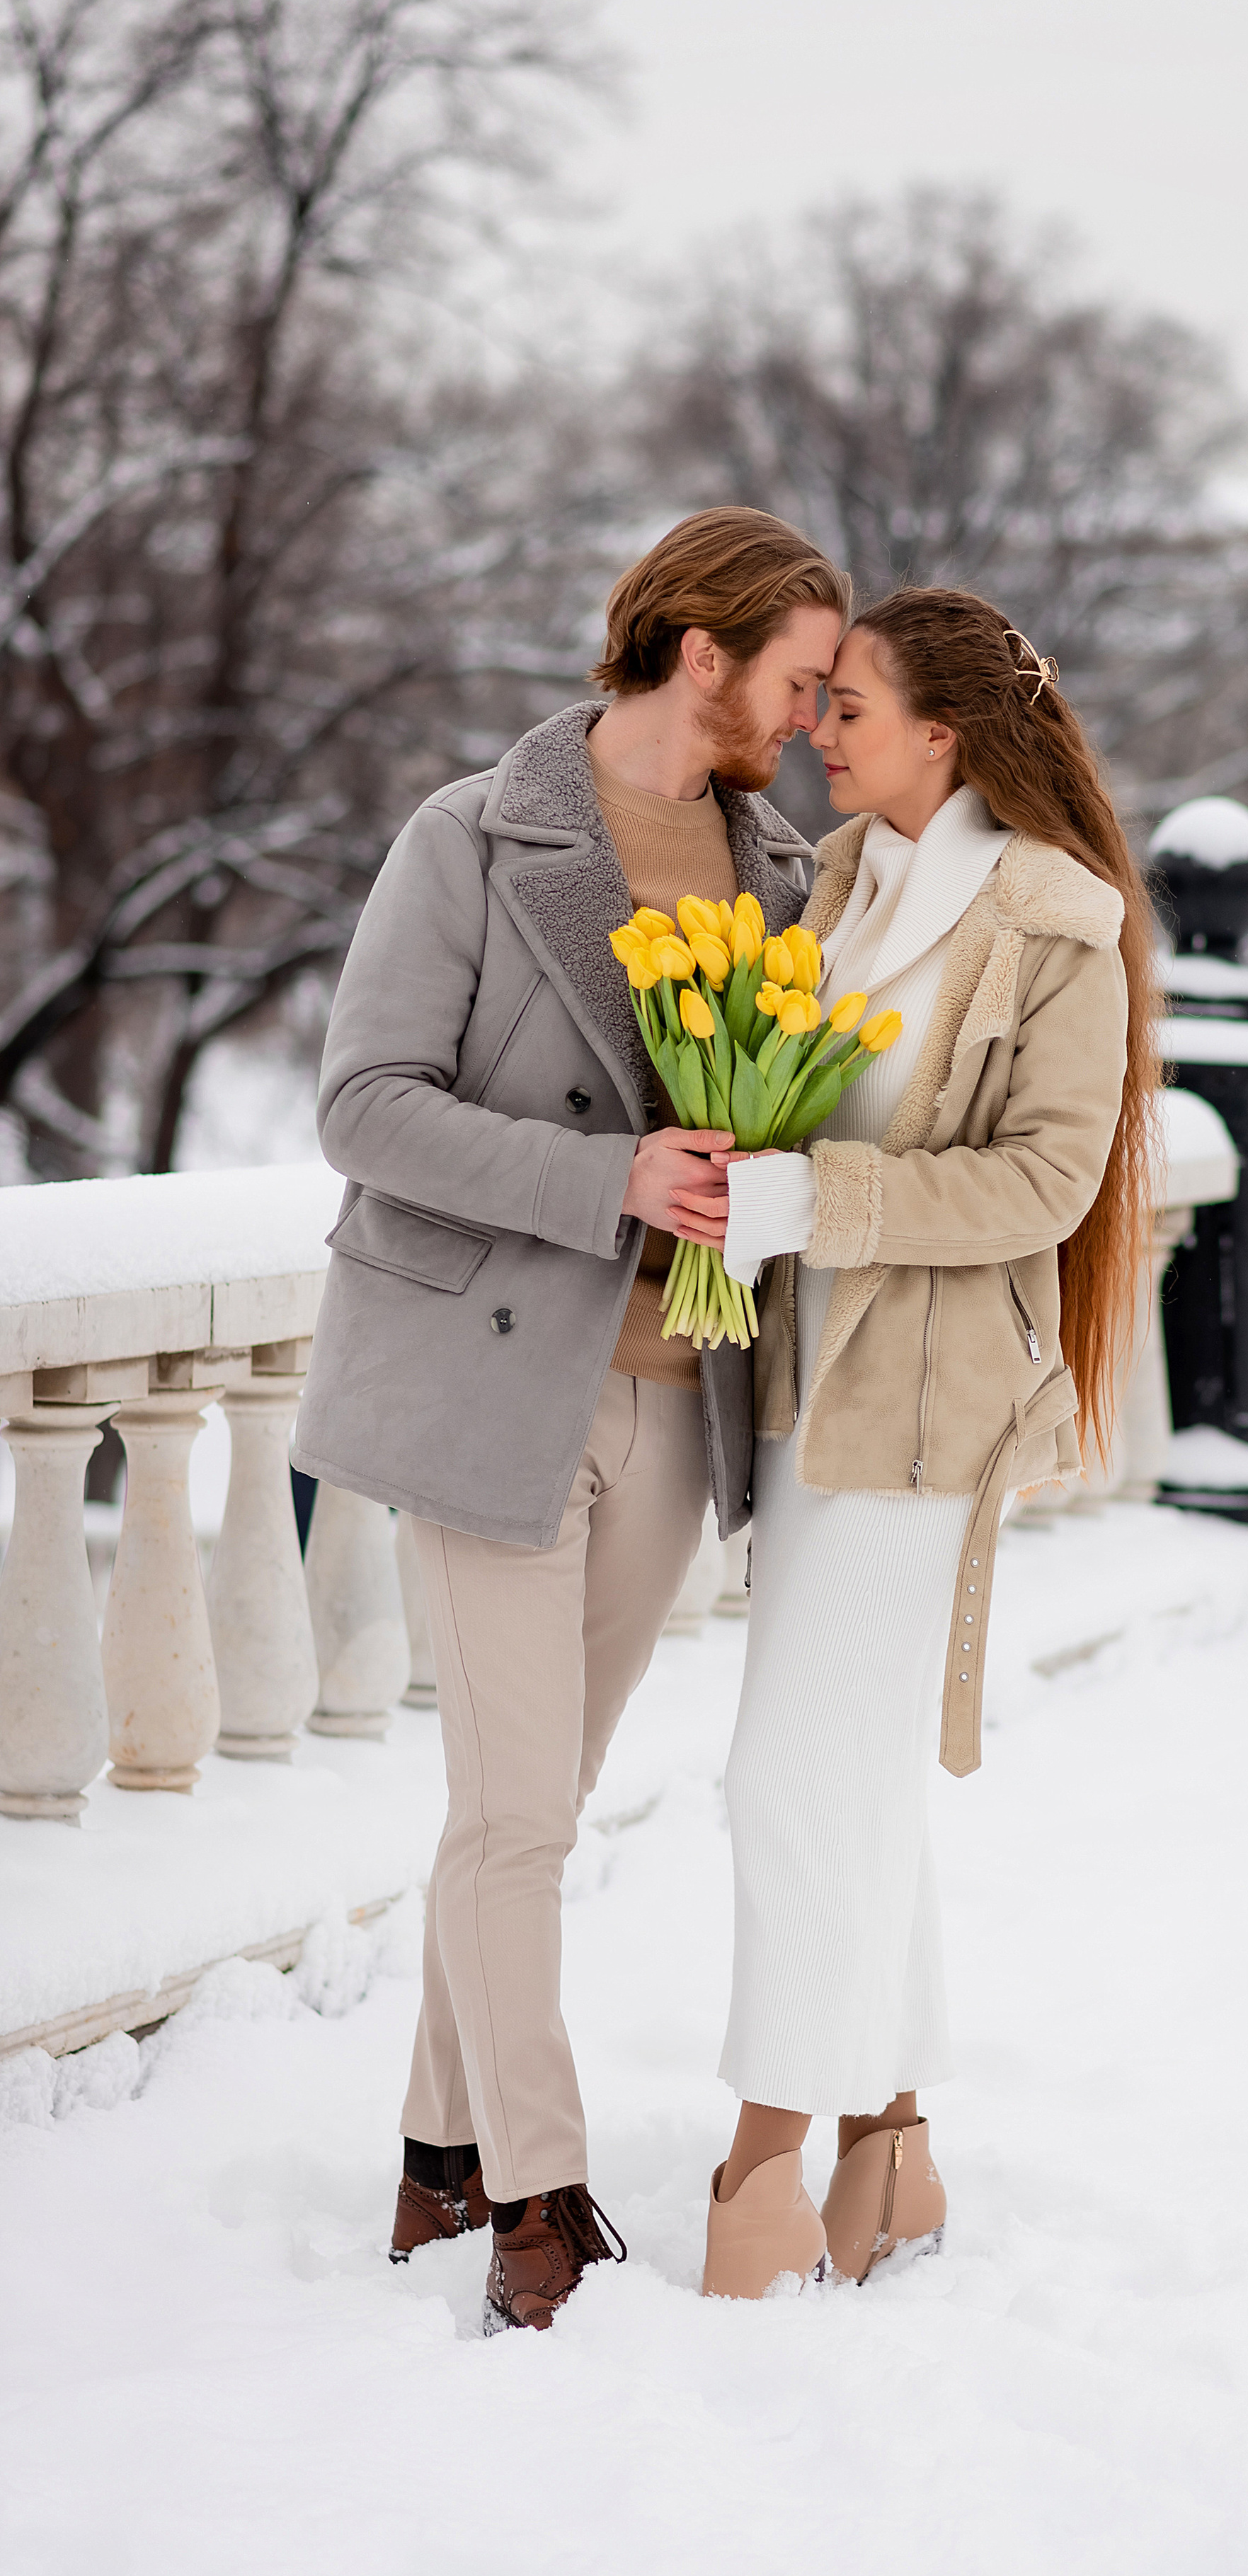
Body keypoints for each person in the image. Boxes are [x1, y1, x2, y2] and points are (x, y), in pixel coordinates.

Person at [293, 507, 851, 2331]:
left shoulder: (786, 874)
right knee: (516, 1820)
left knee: (523, 1811)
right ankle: (539, 2190)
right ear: (701, 653)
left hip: (686, 1411)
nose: (810, 712)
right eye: (795, 676)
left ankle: (426, 2157)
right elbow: (366, 1106)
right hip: (487, 1386)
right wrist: (613, 1173)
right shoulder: (469, 835)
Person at [698, 585, 1158, 2297]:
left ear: (946, 735)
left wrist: (818, 1196)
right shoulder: (842, 884)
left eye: (852, 708)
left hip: (925, 1416)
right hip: (806, 1390)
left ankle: (763, 2161)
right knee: (849, 1777)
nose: (819, 725)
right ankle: (889, 2149)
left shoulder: (1051, 921)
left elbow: (1049, 1179)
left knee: (785, 1780)